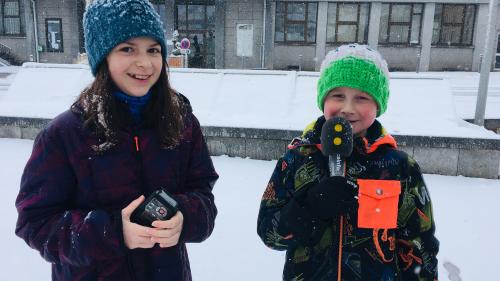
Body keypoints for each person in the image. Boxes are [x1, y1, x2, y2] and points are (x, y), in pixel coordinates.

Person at [15, 0, 218, 280]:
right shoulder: (64, 134)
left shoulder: (181, 122)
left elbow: (203, 195)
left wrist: (184, 217)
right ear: (103, 57)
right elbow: (35, 223)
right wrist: (110, 232)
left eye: (153, 50)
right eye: (127, 49)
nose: (145, 63)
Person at [257, 44, 439, 281]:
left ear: (378, 105)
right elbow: (269, 234)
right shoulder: (297, 159)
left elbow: (419, 244)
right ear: (323, 100)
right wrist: (308, 209)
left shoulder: (399, 167)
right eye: (338, 96)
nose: (347, 108)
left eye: (361, 98)